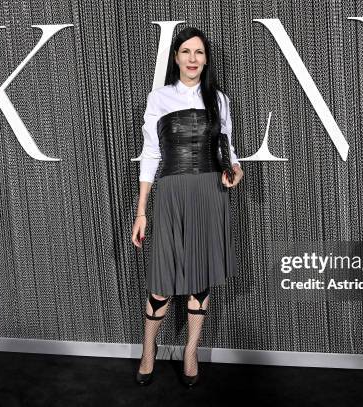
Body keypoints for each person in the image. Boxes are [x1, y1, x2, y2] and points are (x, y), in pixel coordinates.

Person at [131, 26, 244, 388]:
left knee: (199, 279)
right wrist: (141, 210)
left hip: (210, 192)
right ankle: (149, 349)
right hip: (172, 191)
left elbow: (230, 153)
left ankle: (190, 352)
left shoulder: (220, 101)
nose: (193, 58)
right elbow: (151, 155)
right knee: (162, 281)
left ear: (205, 58)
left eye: (199, 52)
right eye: (186, 52)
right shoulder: (159, 98)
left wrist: (235, 172)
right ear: (176, 58)